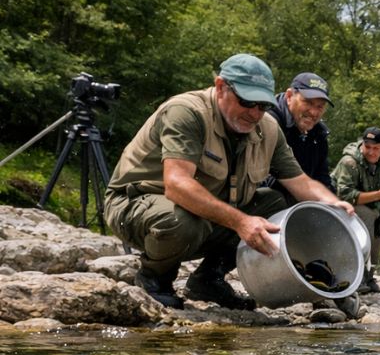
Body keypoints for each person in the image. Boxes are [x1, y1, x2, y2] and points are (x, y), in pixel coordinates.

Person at [104, 54, 354, 310]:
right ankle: (154, 279)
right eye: (247, 102)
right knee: (181, 221)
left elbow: (300, 181)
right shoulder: (186, 112)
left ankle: (207, 280)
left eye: (263, 106)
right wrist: (241, 222)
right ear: (221, 86)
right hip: (134, 205)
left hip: (203, 217)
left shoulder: (268, 128)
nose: (255, 113)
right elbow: (177, 184)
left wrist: (335, 204)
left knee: (277, 202)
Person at [331, 126, 380, 294]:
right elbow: (345, 194)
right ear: (362, 144)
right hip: (339, 208)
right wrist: (378, 195)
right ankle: (357, 277)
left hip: (373, 206)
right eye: (367, 147)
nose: (371, 152)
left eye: (376, 148)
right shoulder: (349, 162)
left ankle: (369, 277)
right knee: (367, 216)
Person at [265, 72, 333, 201]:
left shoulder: (319, 134)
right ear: (289, 96)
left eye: (320, 106)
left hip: (302, 200)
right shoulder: (267, 122)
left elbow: (323, 179)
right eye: (307, 102)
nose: (313, 112)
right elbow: (264, 179)